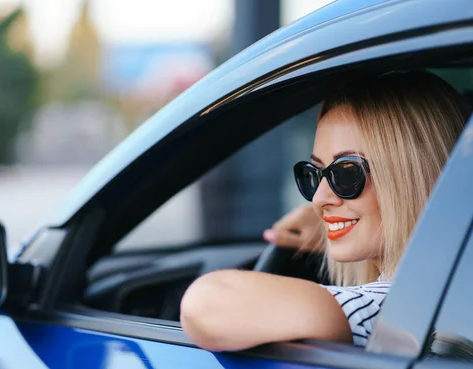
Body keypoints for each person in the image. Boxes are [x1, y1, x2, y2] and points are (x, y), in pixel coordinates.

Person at [180, 70, 471, 351]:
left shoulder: (383, 310)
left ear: (415, 175)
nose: (318, 198)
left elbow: (202, 304)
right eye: (314, 174)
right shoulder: (453, 291)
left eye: (346, 173)